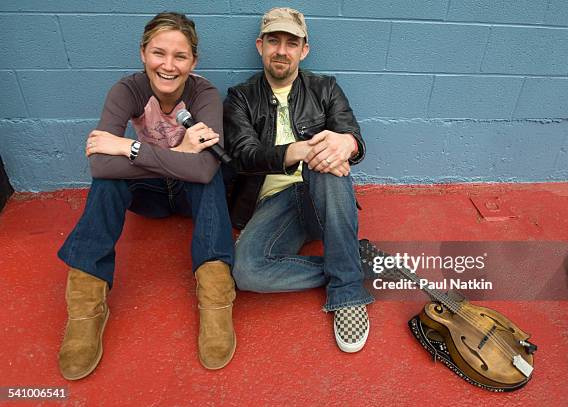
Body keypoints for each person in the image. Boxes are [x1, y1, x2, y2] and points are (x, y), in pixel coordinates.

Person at [57, 12, 236, 379]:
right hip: (149, 198)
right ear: (142, 53)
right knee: (108, 185)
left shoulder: (204, 95)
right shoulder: (128, 91)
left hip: (190, 197)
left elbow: (203, 170)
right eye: (158, 53)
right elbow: (101, 167)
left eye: (180, 56)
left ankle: (216, 296)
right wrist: (180, 155)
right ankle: (86, 306)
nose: (168, 66)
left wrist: (130, 148)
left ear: (193, 62)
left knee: (210, 179)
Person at [223, 7, 374, 353]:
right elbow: (244, 155)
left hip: (324, 193)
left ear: (303, 50)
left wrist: (346, 143)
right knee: (246, 271)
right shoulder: (240, 98)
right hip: (275, 205)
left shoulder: (325, 88)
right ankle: (346, 261)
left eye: (291, 43)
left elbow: (351, 135)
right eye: (273, 41)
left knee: (327, 156)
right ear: (260, 45)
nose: (281, 50)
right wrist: (298, 150)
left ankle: (347, 290)